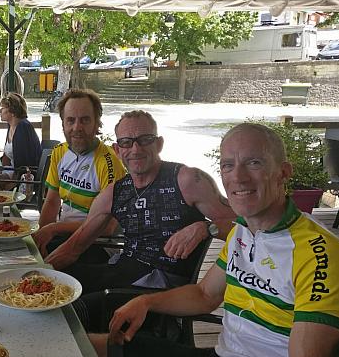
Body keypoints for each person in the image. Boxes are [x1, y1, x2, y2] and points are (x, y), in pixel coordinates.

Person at [90, 123, 339, 357]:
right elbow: (205, 295)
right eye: (228, 166)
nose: (239, 178)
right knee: (91, 348)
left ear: (283, 172)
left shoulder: (320, 254)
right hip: (220, 356)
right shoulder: (243, 232)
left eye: (254, 163)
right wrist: (146, 302)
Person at [45, 110, 235, 295]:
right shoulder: (114, 193)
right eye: (127, 143)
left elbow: (247, 226)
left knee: (75, 307)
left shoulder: (186, 180)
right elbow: (74, 247)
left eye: (145, 140)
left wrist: (206, 228)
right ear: (118, 150)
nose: (136, 149)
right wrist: (37, 270)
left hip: (162, 291)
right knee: (55, 284)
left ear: (159, 144)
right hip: (122, 272)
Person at [32, 89, 125, 257]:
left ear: (97, 123)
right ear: (63, 124)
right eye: (70, 120)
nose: (77, 127)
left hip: (98, 244)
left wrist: (53, 229)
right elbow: (52, 202)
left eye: (85, 120)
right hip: (63, 236)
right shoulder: (59, 152)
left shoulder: (109, 163)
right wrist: (40, 239)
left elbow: (108, 227)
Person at [0, 92, 42, 191]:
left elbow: (27, 160)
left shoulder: (23, 127)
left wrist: (14, 181)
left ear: (12, 112)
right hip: (14, 169)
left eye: (2, 109)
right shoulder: (11, 126)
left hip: (25, 174)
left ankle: (1, 203)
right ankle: (0, 201)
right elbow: (6, 156)